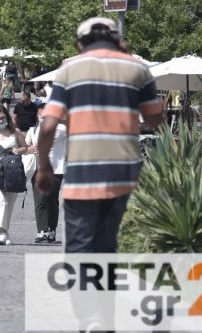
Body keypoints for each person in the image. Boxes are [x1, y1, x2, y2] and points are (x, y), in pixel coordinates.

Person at [34, 17, 164, 254]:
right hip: (124, 177)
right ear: (117, 40)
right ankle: (105, 290)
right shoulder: (137, 68)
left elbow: (48, 126)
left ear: (81, 44)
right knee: (110, 249)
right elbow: (155, 119)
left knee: (80, 252)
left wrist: (43, 168)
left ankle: (85, 290)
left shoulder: (69, 69)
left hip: (83, 175)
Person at [0, 105, 28, 245]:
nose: (0, 121)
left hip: (13, 171)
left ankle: (5, 232)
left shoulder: (15, 132)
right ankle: (2, 233)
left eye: (3, 118)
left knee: (9, 202)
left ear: (7, 118)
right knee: (0, 200)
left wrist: (17, 150)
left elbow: (25, 147)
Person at [25, 113, 67, 243]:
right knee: (40, 200)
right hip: (38, 168)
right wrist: (29, 148)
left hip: (56, 169)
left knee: (52, 201)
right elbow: (24, 146)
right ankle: (42, 230)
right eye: (40, 108)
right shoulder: (32, 129)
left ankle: (52, 230)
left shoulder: (62, 128)